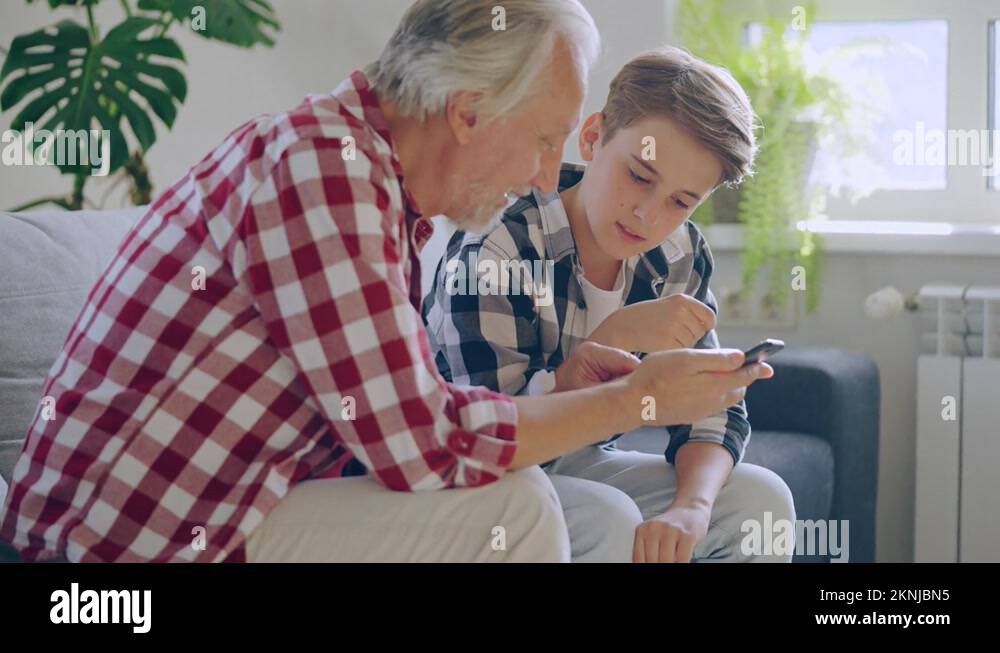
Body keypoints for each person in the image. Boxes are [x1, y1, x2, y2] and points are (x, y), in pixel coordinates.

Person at [0, 1, 771, 563]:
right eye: (542, 139)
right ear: (469, 112)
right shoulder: (321, 172)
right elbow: (426, 442)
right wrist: (635, 398)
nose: (546, 171)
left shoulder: (374, 186)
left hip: (224, 509)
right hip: (114, 550)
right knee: (518, 509)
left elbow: (385, 431)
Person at [425, 46, 795, 562]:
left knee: (762, 502)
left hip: (577, 465)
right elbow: (486, 441)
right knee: (609, 517)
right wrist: (614, 337)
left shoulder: (678, 254)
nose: (647, 214)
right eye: (640, 177)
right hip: (474, 479)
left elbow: (710, 413)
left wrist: (691, 506)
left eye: (681, 201)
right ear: (594, 137)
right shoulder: (498, 249)